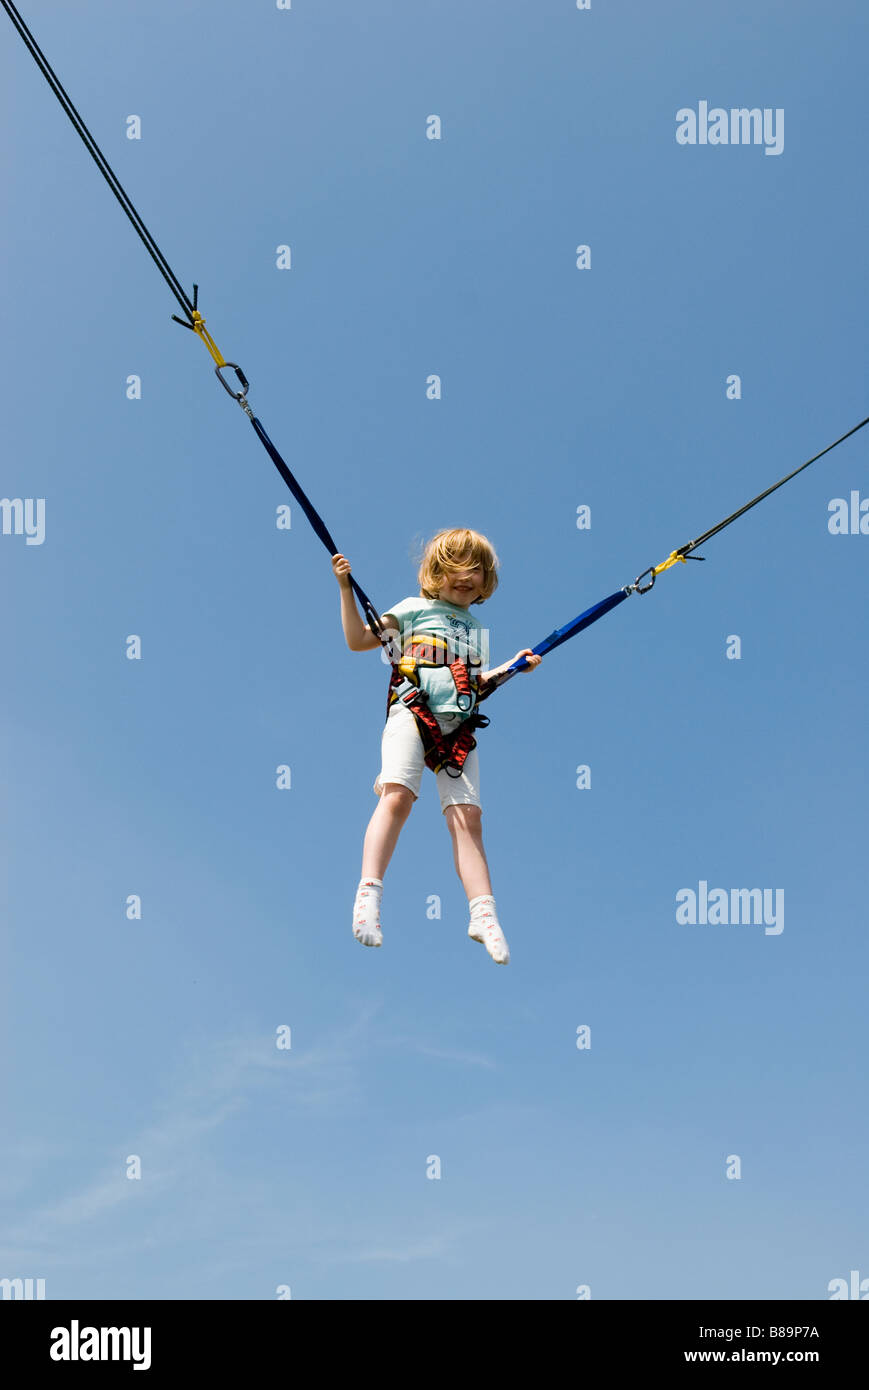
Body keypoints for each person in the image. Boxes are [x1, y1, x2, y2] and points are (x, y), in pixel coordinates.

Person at [332, 527, 542, 964]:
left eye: (476, 569)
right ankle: (367, 897)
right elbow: (358, 641)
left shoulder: (477, 630)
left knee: (468, 819)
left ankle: (483, 914)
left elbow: (475, 686)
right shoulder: (413, 608)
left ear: (486, 580)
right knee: (399, 797)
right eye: (453, 567)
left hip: (458, 727)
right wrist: (344, 589)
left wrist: (513, 668)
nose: (464, 575)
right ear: (435, 573)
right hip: (413, 710)